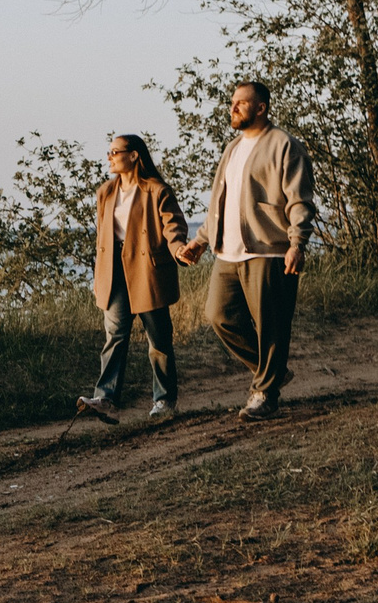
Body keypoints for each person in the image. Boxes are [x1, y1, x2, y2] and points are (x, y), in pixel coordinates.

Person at [181, 80, 316, 418]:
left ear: (261, 108)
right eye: (232, 102)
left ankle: (264, 393)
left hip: (269, 250)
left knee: (271, 326)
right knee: (219, 316)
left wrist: (297, 243)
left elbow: (299, 200)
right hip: (227, 253)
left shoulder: (284, 145)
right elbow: (220, 202)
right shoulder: (233, 148)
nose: (233, 108)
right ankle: (273, 371)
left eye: (241, 102)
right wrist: (201, 240)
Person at [77, 133, 197, 425]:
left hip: (146, 270)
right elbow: (102, 238)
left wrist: (179, 248)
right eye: (109, 152)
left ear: (133, 155)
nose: (109, 157)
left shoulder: (157, 190)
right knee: (115, 334)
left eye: (115, 152)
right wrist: (98, 277)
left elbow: (172, 225)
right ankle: (106, 400)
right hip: (113, 270)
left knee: (158, 338)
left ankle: (164, 400)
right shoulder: (105, 191)